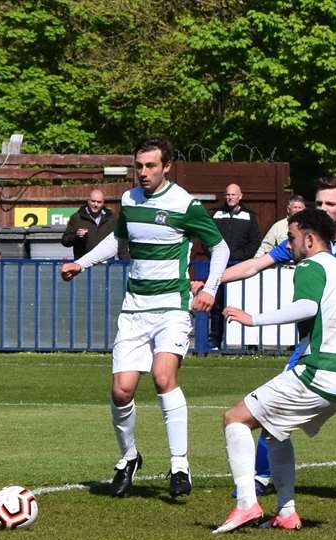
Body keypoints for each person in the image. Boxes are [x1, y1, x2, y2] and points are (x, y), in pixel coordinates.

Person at [217, 176, 336, 500]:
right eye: (319, 203)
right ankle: (263, 476)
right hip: (315, 342)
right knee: (275, 401)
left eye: (330, 203)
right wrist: (211, 283)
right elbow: (255, 265)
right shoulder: (304, 240)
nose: (323, 208)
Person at [60, 137, 229, 499]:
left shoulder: (185, 204)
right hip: (135, 308)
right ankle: (129, 458)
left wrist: (210, 289)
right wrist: (81, 262)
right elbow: (116, 241)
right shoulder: (129, 200)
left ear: (167, 166)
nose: (143, 173)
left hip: (171, 307)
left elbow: (220, 247)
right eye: (139, 166)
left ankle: (180, 465)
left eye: (151, 166)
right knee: (121, 391)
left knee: (163, 376)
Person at [212, 208, 336, 533]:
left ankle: (246, 504)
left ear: (309, 239)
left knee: (234, 419)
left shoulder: (310, 265)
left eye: (292, 238)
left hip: (318, 373)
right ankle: (287, 512)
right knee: (274, 431)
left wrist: (254, 319)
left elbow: (307, 307)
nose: (289, 245)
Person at [209, 184, 257, 347]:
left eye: (233, 194)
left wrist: (239, 257)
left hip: (240, 267)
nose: (230, 197)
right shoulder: (215, 214)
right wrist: (217, 256)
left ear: (240, 196)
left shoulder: (249, 216)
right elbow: (206, 238)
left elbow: (254, 242)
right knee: (216, 305)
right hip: (218, 267)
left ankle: (247, 342)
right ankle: (215, 340)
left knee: (242, 302)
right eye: (228, 194)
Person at [60, 189, 116, 259]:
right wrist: (76, 235)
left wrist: (125, 262)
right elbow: (65, 241)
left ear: (103, 203)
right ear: (88, 200)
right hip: (83, 263)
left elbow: (120, 241)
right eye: (93, 201)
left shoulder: (112, 218)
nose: (96, 204)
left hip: (106, 264)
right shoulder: (77, 218)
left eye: (99, 202)